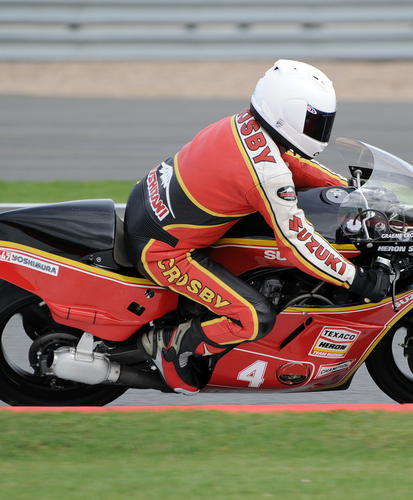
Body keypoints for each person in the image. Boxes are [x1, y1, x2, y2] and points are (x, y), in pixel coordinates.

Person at [123, 59, 390, 394]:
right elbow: (299, 244)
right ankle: (171, 345)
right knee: (254, 317)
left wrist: (351, 191)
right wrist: (358, 279)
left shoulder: (245, 124)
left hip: (147, 204)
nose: (320, 130)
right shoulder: (266, 173)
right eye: (314, 121)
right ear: (287, 114)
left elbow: (291, 164)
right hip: (162, 250)